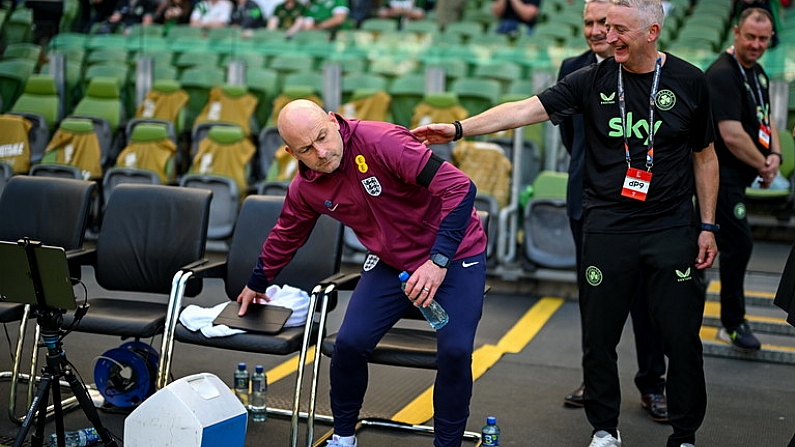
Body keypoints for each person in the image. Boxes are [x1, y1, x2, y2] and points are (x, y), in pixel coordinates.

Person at [412, 0, 719, 445]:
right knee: (599, 335)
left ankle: (685, 433)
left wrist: (707, 226)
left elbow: (705, 155)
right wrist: (458, 130)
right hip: (606, 226)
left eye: (619, 30)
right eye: (605, 26)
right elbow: (522, 111)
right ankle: (603, 428)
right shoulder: (591, 79)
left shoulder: (690, 80)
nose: (607, 37)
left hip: (670, 227)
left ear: (652, 32)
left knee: (681, 337)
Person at [237, 99, 488, 447]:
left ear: (331, 120)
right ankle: (343, 436)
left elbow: (461, 189)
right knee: (350, 344)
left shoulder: (383, 142)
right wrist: (257, 282)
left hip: (456, 255)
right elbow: (287, 232)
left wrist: (438, 261)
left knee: (456, 351)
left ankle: (447, 444)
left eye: (323, 137)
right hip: (391, 262)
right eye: (307, 149)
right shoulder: (306, 187)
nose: (321, 153)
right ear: (290, 152)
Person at [558, 0, 667, 423]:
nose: (596, 30)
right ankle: (596, 381)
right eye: (588, 22)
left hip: (644, 209)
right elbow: (571, 134)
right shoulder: (572, 68)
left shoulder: (653, 71)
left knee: (648, 302)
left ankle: (653, 383)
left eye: (604, 22)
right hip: (586, 204)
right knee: (594, 300)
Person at [704, 7, 781, 352]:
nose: (756, 44)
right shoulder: (722, 74)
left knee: (726, 245)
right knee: (739, 244)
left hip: (741, 175)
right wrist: (765, 165)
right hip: (718, 177)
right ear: (735, 32)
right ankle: (733, 324)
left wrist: (774, 156)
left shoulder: (758, 72)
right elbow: (731, 135)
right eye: (750, 36)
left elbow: (768, 121)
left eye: (763, 39)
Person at [285, 0, 349, 38]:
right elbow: (305, 20)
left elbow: (339, 19)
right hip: (311, 37)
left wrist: (318, 27)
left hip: (333, 37)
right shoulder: (311, 3)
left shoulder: (337, 1)